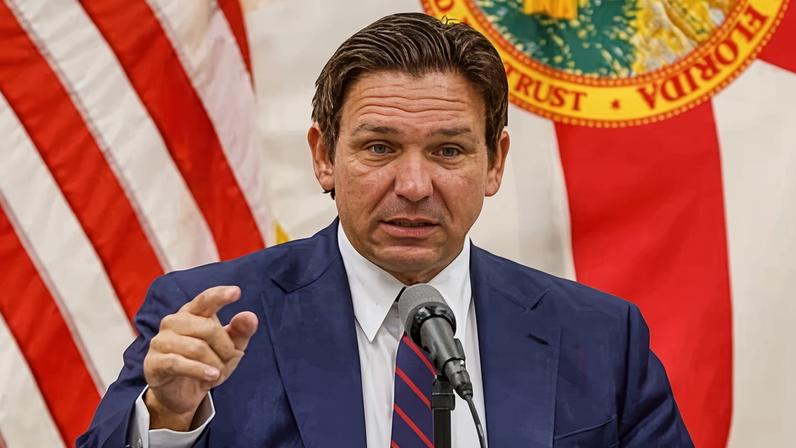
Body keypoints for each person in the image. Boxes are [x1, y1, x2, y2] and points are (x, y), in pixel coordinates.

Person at [78, 12, 693, 448]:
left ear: (495, 163)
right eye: (379, 147)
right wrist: (168, 417)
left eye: (449, 151)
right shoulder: (207, 319)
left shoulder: (601, 337)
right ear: (324, 156)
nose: (414, 185)